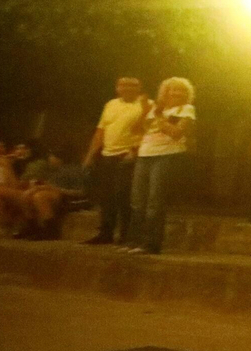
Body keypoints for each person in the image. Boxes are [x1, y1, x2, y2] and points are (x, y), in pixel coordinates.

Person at [122, 78, 196, 255]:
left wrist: (159, 117)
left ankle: (151, 244)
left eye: (180, 90)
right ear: (165, 92)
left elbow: (176, 133)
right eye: (172, 89)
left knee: (155, 201)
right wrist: (144, 111)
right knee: (137, 200)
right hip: (145, 154)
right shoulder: (156, 108)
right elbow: (138, 130)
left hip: (166, 155)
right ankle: (133, 241)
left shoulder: (186, 109)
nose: (176, 93)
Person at [81, 76, 145, 244]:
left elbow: (147, 130)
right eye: (123, 85)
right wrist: (90, 155)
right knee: (106, 196)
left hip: (128, 156)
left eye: (132, 85)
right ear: (117, 88)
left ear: (139, 88)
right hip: (107, 155)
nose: (127, 88)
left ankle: (126, 234)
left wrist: (135, 151)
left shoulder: (145, 105)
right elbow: (100, 131)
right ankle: (106, 233)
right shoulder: (111, 104)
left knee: (124, 196)